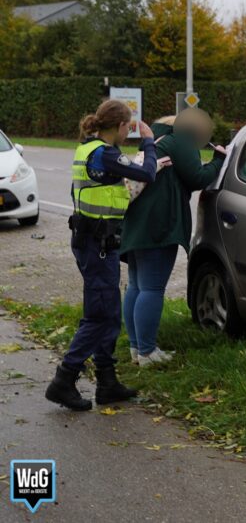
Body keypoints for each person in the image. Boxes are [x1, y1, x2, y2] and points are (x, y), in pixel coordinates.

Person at [45, 99, 162, 411]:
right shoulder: (104, 154)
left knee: (108, 314)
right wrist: (149, 143)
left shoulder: (87, 148)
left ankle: (107, 382)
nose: (129, 132)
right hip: (95, 244)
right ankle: (63, 379)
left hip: (95, 241)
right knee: (99, 316)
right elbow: (147, 174)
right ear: (121, 126)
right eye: (128, 127)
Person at [120, 108, 227, 366]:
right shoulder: (178, 141)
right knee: (152, 288)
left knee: (136, 285)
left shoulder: (153, 142)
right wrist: (218, 159)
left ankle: (136, 348)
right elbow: (197, 177)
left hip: (136, 222)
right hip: (160, 225)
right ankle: (147, 352)